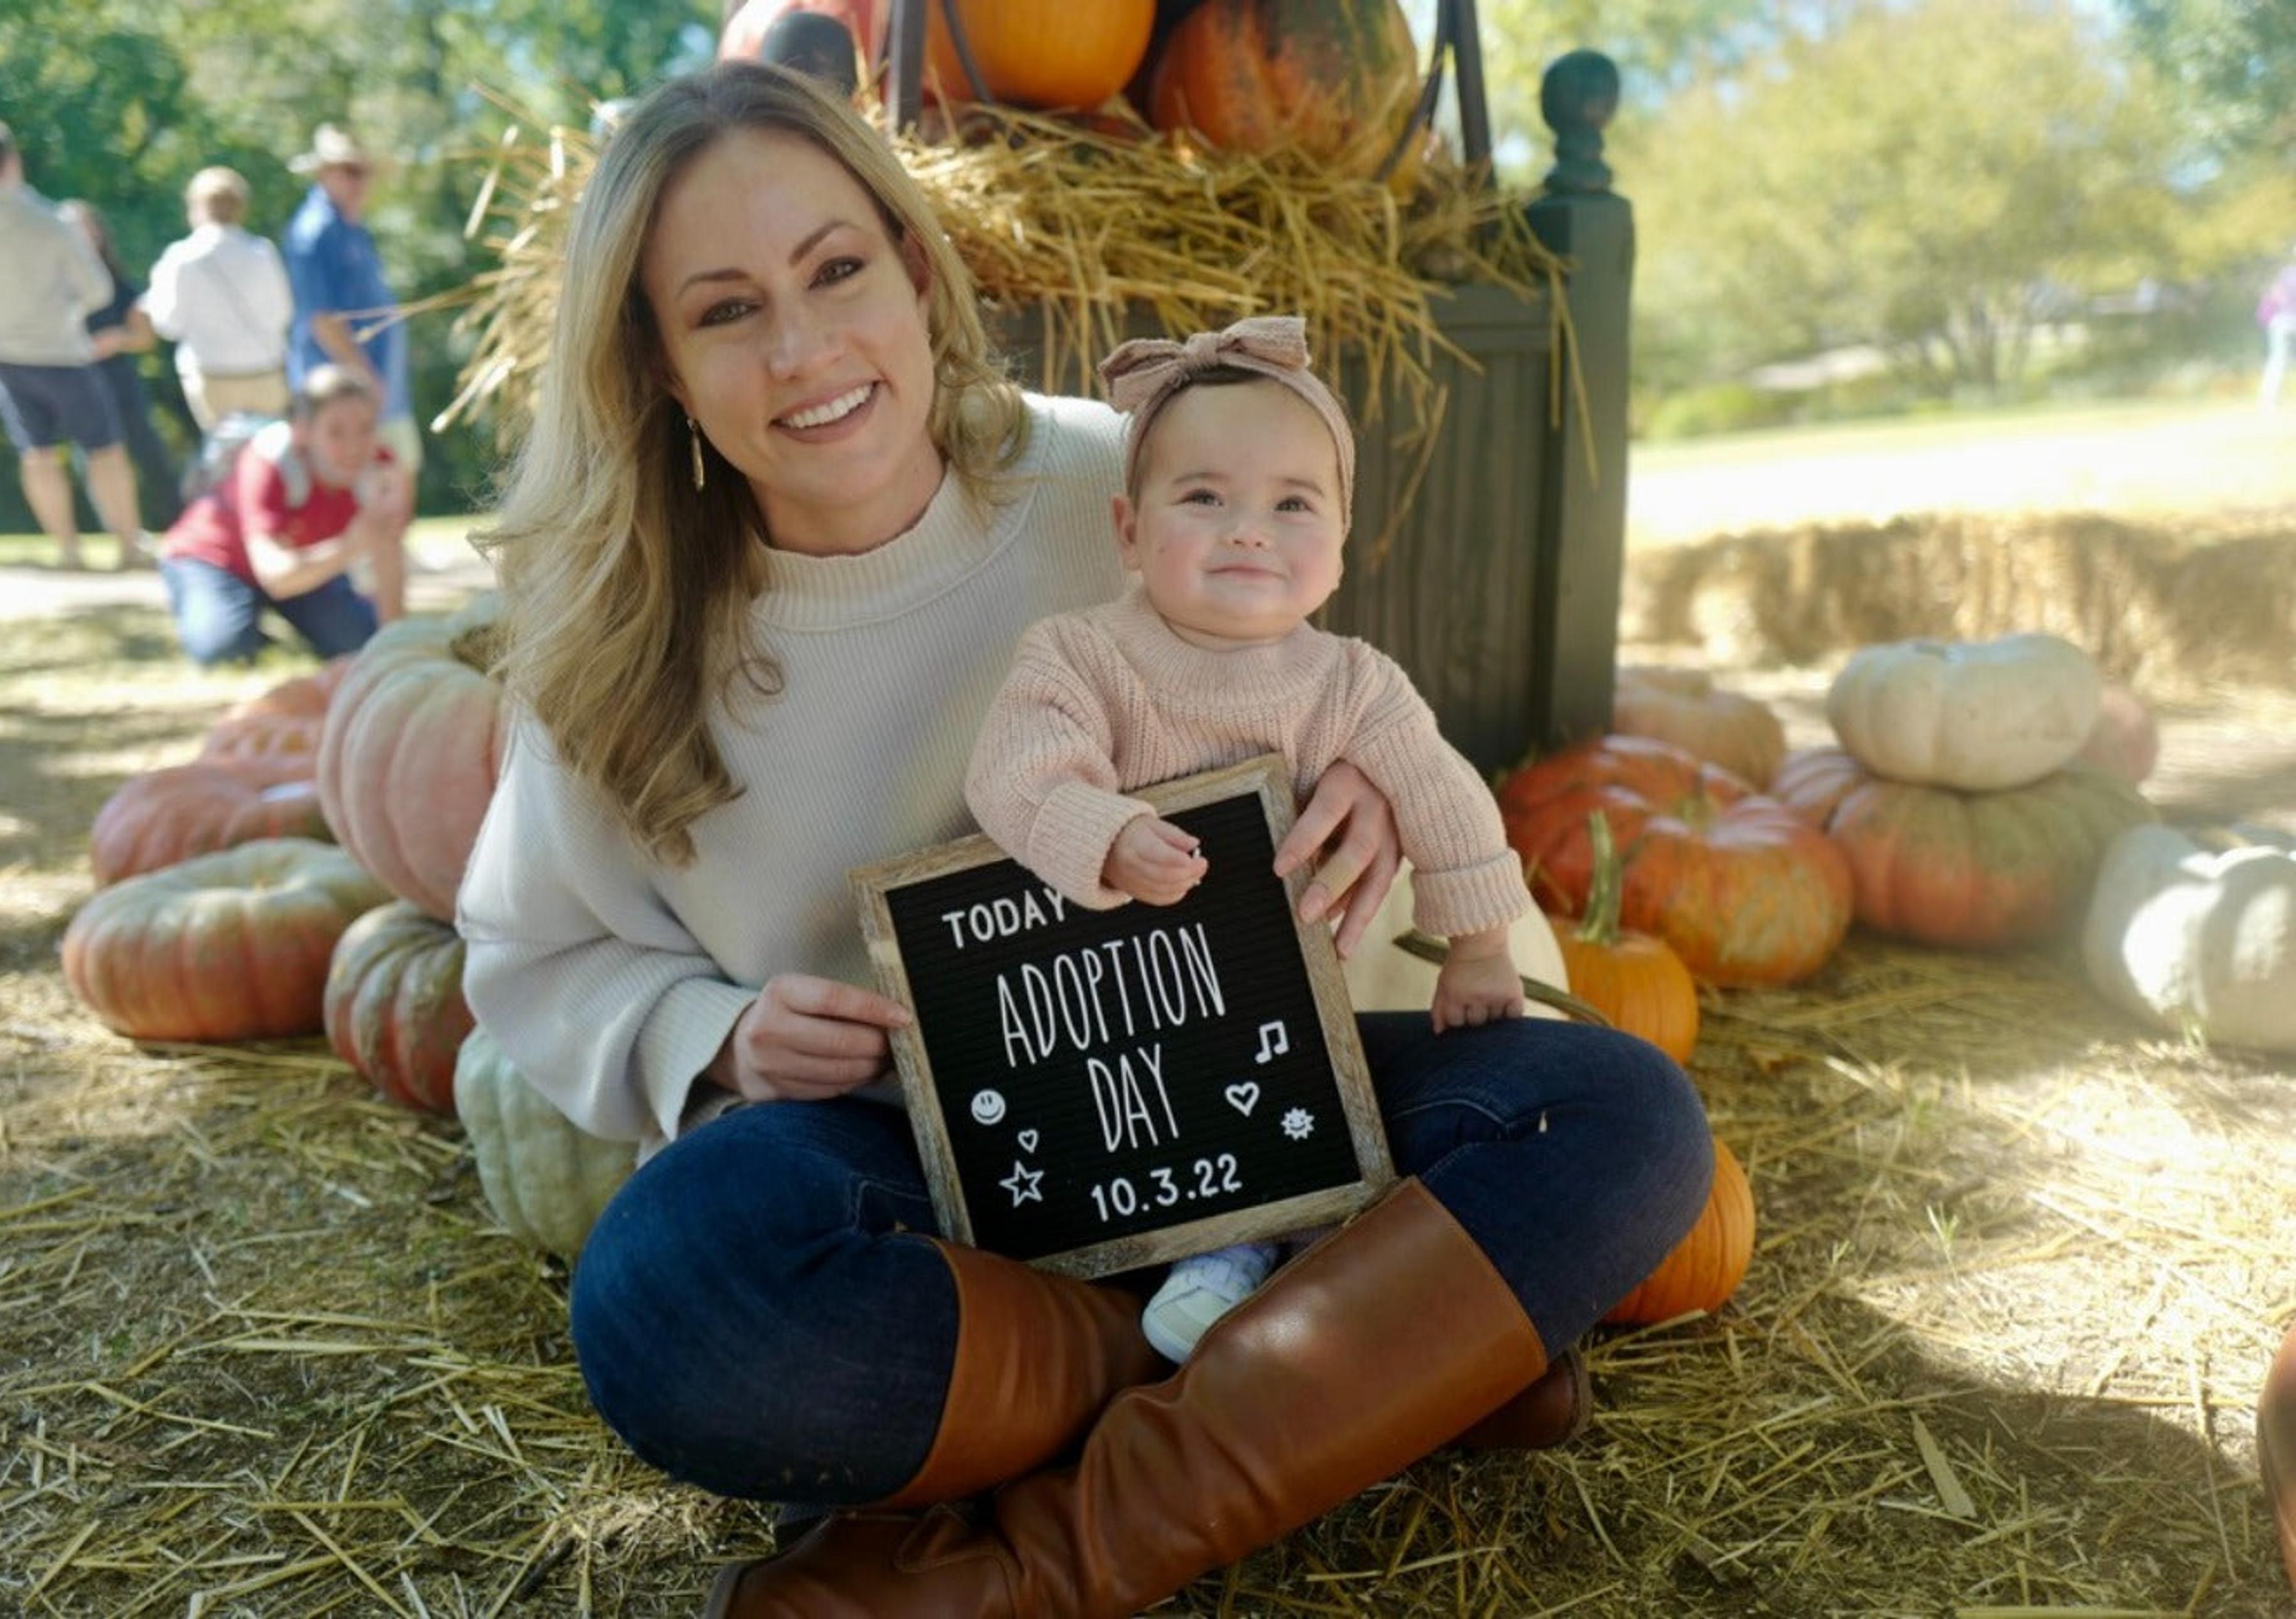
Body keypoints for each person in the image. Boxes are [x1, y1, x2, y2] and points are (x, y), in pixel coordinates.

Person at [454, 61, 1708, 1619]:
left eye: (838, 269)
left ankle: (1047, 1556)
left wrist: (1370, 788)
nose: (803, 348)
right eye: (722, 310)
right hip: (920, 1155)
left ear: (916, 268)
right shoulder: (606, 638)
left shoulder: (1115, 473)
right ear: (651, 364)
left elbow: (1324, 676)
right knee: (671, 1296)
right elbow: (528, 950)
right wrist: (711, 1033)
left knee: (1622, 1118)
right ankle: (1360, 1369)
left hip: (1258, 1099)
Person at [963, 314, 1537, 1363]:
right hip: (1125, 1010)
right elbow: (1015, 767)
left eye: (1291, 503)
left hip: (1291, 1022)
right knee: (1140, 1132)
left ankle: (1295, 1274)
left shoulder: (1353, 686)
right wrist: (1107, 831)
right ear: (1129, 531)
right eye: (1204, 497)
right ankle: (1192, 1289)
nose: (1248, 529)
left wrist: (1482, 946)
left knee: (1324, 1118)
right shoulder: (1083, 656)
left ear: (1340, 545)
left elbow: (1445, 797)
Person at [0, 119, 151, 571]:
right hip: (65, 351)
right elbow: (97, 290)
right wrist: (66, 311)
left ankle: (68, 548)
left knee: (38, 456)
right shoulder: (48, 219)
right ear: (12, 157)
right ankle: (128, 545)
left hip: (5, 358)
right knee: (105, 450)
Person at [154, 363, 409, 666]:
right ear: (304, 431)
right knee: (224, 651)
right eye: (336, 432)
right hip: (215, 559)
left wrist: (394, 647)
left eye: (366, 429)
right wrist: (352, 546)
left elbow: (387, 550)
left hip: (306, 566)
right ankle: (237, 620)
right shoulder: (269, 461)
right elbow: (274, 574)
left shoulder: (381, 466)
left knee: (364, 640)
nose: (354, 445)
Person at [282, 125, 419, 480]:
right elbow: (321, 318)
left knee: (393, 478)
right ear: (325, 174)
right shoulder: (315, 232)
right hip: (344, 393)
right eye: (352, 171)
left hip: (370, 388)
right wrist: (367, 378)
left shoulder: (352, 228)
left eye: (366, 172)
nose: (362, 181)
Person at [142, 166, 294, 431]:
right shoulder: (262, 253)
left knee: (225, 457)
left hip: (211, 376)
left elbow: (169, 324)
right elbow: (283, 313)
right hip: (264, 370)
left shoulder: (182, 258)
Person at [62, 201, 183, 527]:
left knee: (148, 453)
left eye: (86, 228)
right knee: (93, 460)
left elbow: (145, 337)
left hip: (118, 380)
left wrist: (116, 340)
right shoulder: (56, 287)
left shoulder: (117, 284)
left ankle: (178, 520)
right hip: (77, 382)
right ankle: (120, 529)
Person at [2261, 246, 2296, 413]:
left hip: (2280, 321)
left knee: (2277, 360)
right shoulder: (2287, 274)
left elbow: (2276, 295)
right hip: (2288, 320)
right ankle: (2270, 401)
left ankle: (2269, 401)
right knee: (2278, 360)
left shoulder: (2286, 274)